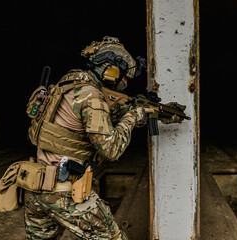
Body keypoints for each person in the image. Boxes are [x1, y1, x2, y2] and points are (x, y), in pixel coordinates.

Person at [23, 36, 167, 240]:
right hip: (65, 193)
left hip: (35, 188)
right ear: (110, 70)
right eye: (124, 76)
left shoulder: (66, 86)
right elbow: (110, 150)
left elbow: (80, 121)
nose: (125, 82)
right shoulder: (92, 96)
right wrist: (133, 116)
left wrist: (129, 111)